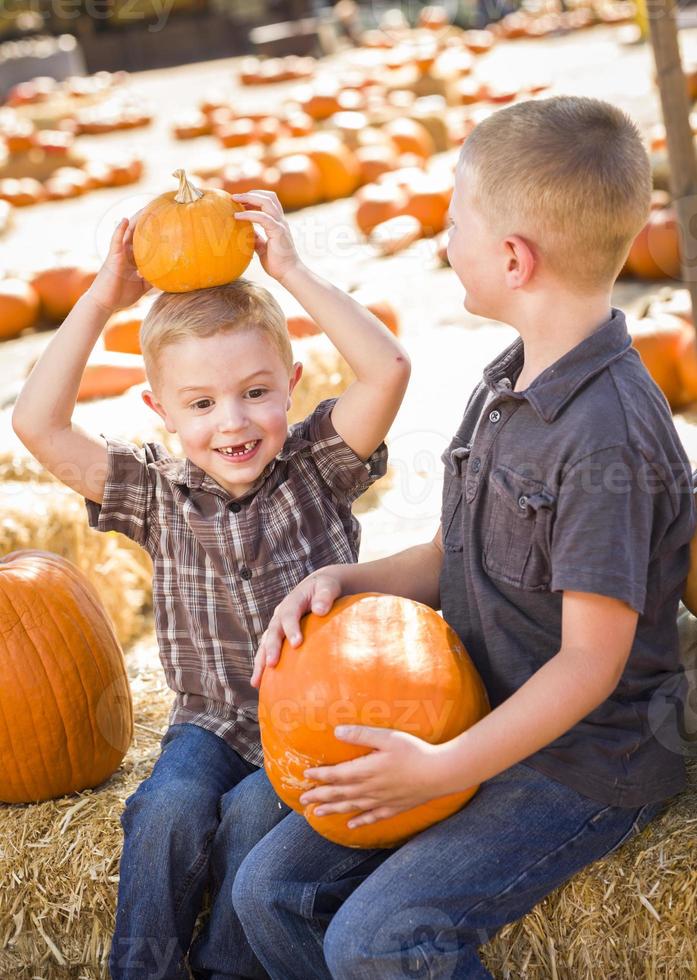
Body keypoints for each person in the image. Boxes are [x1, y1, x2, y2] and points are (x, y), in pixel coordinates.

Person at [231, 97, 696, 979]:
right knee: (267, 891)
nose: (442, 238)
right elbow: (455, 555)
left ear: (513, 259)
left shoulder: (605, 436)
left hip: (586, 763)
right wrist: (349, 577)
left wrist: (442, 769)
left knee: (379, 939)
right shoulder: (507, 381)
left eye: (453, 221)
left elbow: (587, 666)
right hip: (477, 717)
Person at [11, 190, 410, 980]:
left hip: (311, 723)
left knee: (254, 815)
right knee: (163, 811)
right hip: (209, 722)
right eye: (200, 404)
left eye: (255, 392)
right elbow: (37, 426)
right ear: (158, 409)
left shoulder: (317, 465)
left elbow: (388, 366)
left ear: (291, 384)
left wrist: (290, 270)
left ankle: (228, 969)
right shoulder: (152, 490)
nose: (232, 422)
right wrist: (99, 300)